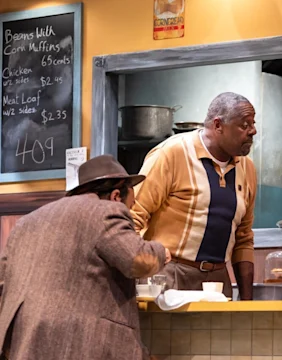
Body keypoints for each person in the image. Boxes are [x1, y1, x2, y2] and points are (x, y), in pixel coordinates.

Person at [0, 155, 171, 360]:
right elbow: (138, 260)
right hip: (80, 342)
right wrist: (160, 252)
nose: (129, 211)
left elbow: (3, 281)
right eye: (130, 206)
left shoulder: (26, 222)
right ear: (116, 196)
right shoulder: (105, 211)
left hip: (23, 339)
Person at [131, 92, 257, 300]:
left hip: (217, 280)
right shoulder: (171, 154)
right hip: (169, 274)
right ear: (218, 125)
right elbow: (133, 218)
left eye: (253, 123)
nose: (253, 131)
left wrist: (247, 302)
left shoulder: (247, 168)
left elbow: (244, 238)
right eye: (244, 125)